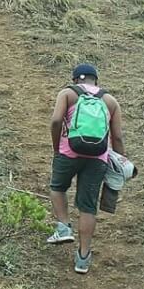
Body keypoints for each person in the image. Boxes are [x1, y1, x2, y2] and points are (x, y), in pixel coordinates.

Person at [47, 63, 126, 275]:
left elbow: (56, 121)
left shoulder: (67, 93)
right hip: (98, 158)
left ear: (75, 80)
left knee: (57, 187)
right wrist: (121, 161)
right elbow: (117, 137)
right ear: (96, 80)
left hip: (68, 152)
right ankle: (82, 258)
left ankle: (64, 227)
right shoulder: (110, 101)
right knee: (88, 207)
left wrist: (57, 148)